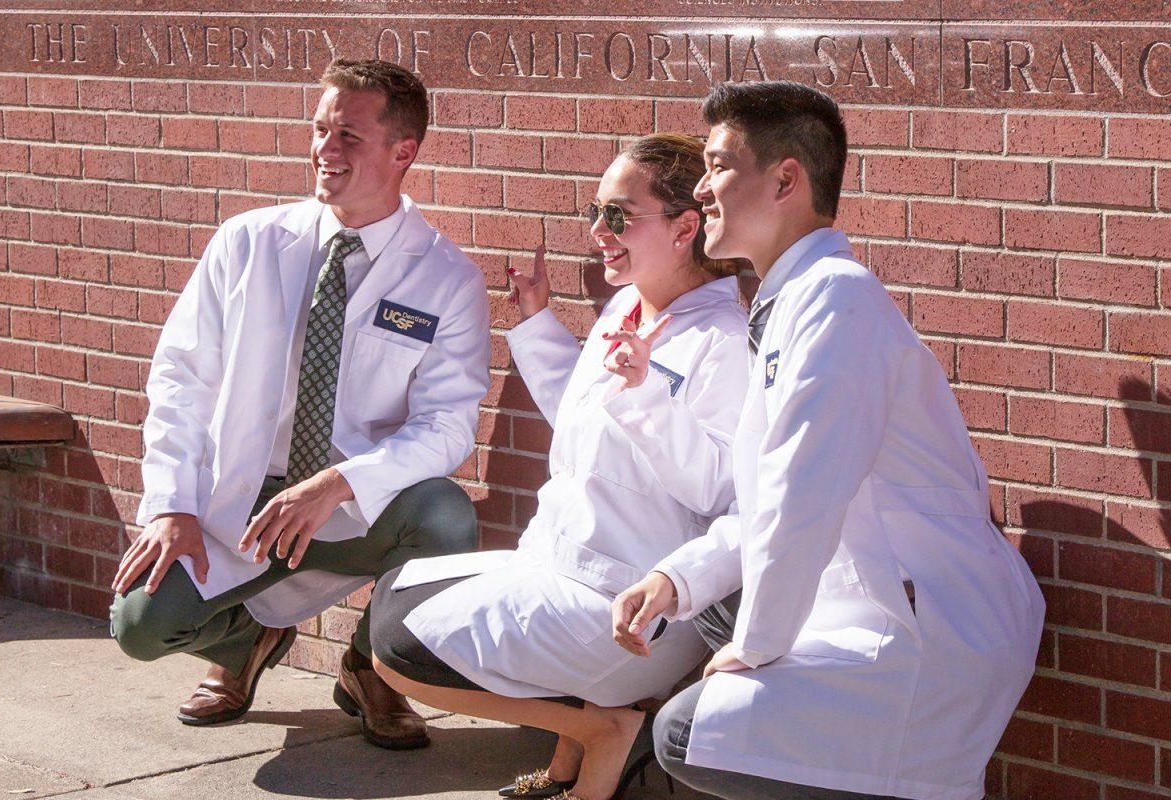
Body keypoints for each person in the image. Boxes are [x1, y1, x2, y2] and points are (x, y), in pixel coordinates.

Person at [612, 81, 1045, 800]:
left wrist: (754, 650)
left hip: (927, 633)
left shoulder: (834, 299)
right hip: (879, 609)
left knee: (688, 731)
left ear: (786, 179)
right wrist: (676, 577)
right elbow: (768, 501)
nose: (703, 189)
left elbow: (799, 494)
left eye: (719, 166)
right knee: (706, 609)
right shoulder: (793, 302)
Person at [108, 58, 490, 750]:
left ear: (403, 151)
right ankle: (247, 641)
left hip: (351, 505)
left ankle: (372, 670)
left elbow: (448, 426)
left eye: (348, 135)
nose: (323, 149)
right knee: (139, 625)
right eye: (319, 130)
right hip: (243, 500)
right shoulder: (249, 243)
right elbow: (181, 377)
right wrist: (172, 504)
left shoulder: (445, 278)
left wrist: (342, 481)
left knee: (444, 516)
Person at [365, 133, 751, 800]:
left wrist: (645, 395)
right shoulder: (627, 310)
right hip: (563, 566)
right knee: (396, 595)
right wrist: (538, 322)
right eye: (595, 212)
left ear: (687, 226)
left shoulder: (724, 343)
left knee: (398, 645)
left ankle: (602, 730)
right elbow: (583, 417)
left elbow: (718, 488)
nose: (600, 231)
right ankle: (571, 754)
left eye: (620, 215)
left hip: (633, 607)